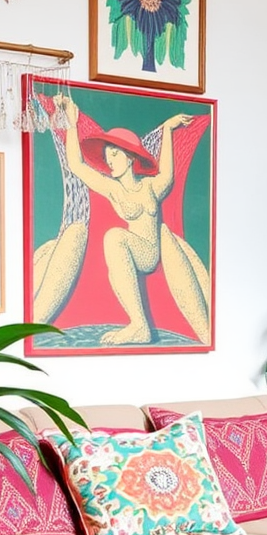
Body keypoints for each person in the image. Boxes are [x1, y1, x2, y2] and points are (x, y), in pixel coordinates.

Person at [42, 92, 211, 346]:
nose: (109, 160)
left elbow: (168, 172)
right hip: (133, 253)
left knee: (117, 238)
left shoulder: (152, 187)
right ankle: (139, 324)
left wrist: (167, 129)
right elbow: (76, 165)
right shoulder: (114, 190)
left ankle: (141, 326)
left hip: (153, 251)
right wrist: (72, 123)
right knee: (114, 237)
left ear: (131, 158)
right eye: (108, 155)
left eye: (115, 154)